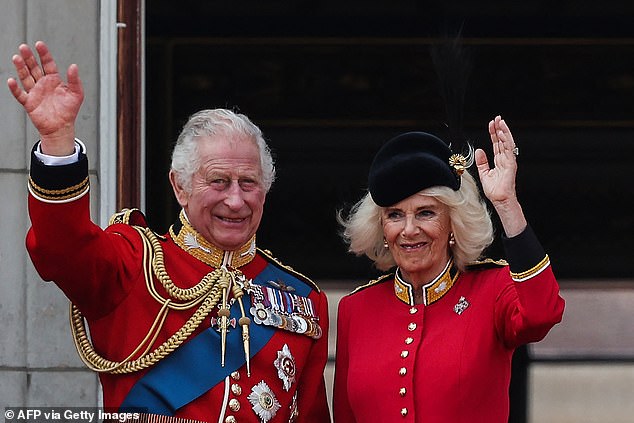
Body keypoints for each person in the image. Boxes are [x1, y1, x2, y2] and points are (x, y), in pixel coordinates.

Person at [8, 41, 331, 423]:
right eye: (218, 181)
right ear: (179, 186)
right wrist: (58, 143)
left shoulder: (302, 300)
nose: (235, 200)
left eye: (248, 182)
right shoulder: (133, 264)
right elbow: (62, 247)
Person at [333, 119, 565, 422]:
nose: (409, 229)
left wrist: (507, 205)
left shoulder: (492, 290)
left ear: (453, 224)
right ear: (381, 227)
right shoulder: (356, 309)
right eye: (395, 215)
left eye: (426, 213)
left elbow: (542, 314)